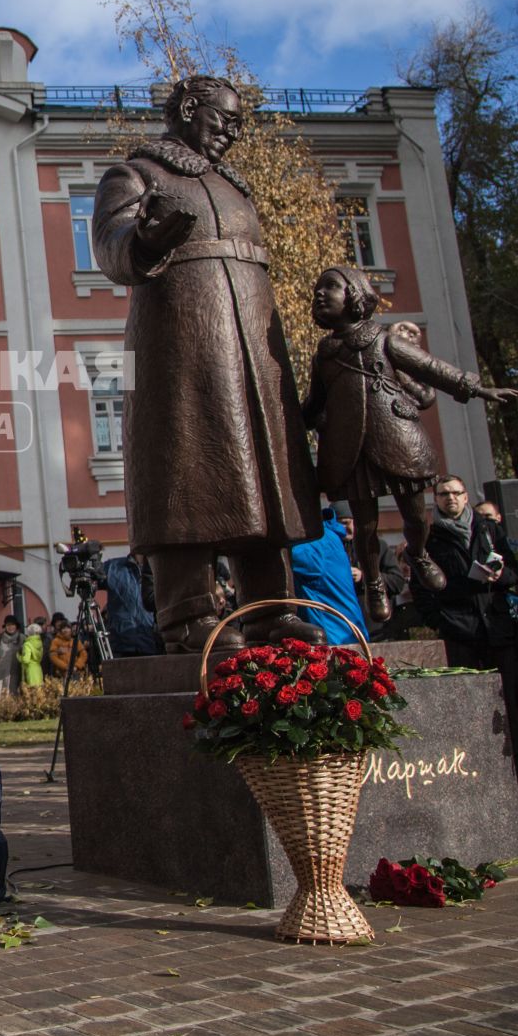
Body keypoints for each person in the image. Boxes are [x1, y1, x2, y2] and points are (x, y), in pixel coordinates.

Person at [93, 75, 325, 651]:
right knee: (185, 465)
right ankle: (186, 615)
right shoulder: (138, 173)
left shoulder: (233, 186)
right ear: (190, 109)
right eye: (225, 117)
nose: (232, 130)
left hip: (250, 340)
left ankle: (271, 611)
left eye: (240, 123)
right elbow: (110, 242)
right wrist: (145, 238)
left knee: (262, 471)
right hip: (180, 343)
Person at [302, 266, 516, 624]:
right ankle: (373, 583)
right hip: (350, 448)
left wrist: (475, 387)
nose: (320, 295)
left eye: (330, 287)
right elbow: (314, 403)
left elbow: (431, 367)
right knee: (366, 524)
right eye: (317, 291)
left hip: (396, 436)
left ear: (354, 295)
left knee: (416, 513)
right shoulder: (324, 355)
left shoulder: (383, 339)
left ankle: (418, 554)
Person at [412, 476, 518, 782]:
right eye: (443, 494)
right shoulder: (429, 538)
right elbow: (422, 588)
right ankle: (477, 766)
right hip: (459, 627)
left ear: (466, 497)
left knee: (505, 697)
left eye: (456, 493)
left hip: (495, 622)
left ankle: (514, 764)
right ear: (435, 500)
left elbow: (514, 572)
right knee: (466, 699)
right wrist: (438, 620)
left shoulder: (489, 530)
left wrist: (501, 577)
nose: (450, 498)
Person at [289, 505, 370, 646]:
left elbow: (285, 557)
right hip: (343, 633)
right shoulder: (324, 536)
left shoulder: (317, 541)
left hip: (336, 638)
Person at [97, 553, 162, 657]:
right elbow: (91, 582)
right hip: (121, 645)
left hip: (153, 643)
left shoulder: (160, 566)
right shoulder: (113, 567)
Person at [0, 614, 24, 698]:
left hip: (16, 671)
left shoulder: (22, 638)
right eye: (8, 625)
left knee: (14, 697)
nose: (10, 627)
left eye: (12, 625)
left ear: (16, 626)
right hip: (1, 672)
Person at [19, 618, 45, 688]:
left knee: (32, 693)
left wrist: (19, 656)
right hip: (38, 669)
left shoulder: (27, 644)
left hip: (31, 671)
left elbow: (26, 660)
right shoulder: (40, 643)